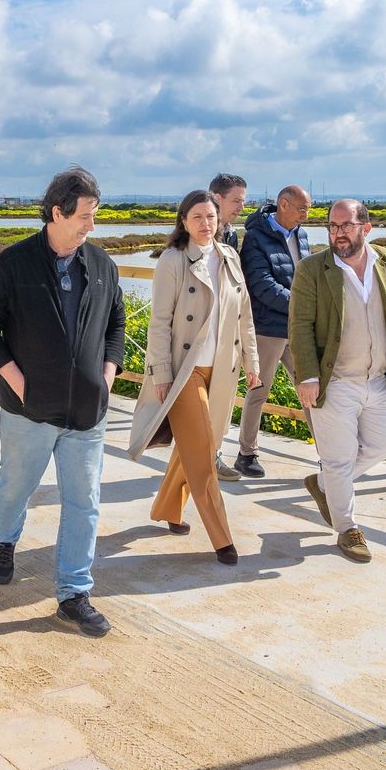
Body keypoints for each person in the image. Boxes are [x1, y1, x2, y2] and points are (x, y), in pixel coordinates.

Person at [0, 167, 126, 637]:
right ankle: (4, 539)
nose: (91, 226)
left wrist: (108, 374)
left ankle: (74, 593)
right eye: (85, 216)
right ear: (57, 212)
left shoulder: (101, 266)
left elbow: (116, 323)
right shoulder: (13, 264)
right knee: (14, 489)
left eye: (95, 215)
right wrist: (16, 380)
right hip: (28, 412)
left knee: (85, 502)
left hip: (86, 413)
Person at [289, 199, 386, 563]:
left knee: (381, 446)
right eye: (333, 226)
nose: (338, 233)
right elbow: (300, 326)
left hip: (376, 379)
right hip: (334, 381)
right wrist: (308, 376)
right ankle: (347, 528)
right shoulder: (312, 269)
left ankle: (324, 485)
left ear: (366, 228)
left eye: (346, 225)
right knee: (339, 461)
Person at [128, 190, 258, 565]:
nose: (205, 224)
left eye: (211, 217)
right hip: (185, 372)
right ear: (183, 221)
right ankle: (223, 539)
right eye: (197, 217)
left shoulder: (230, 256)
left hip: (222, 370)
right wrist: (160, 373)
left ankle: (168, 508)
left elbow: (244, 315)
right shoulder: (173, 260)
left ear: (220, 221)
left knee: (197, 444)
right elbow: (160, 322)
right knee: (203, 455)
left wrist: (252, 361)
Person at [232, 185, 313, 478]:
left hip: (297, 328)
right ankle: (246, 453)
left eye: (308, 209)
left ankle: (329, 456)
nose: (306, 215)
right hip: (268, 327)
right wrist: (302, 306)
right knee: (258, 390)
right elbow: (261, 285)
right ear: (284, 204)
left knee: (311, 389)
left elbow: (308, 276)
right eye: (302, 208)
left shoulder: (301, 235)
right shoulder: (255, 238)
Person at [207, 172, 250, 481]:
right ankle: (199, 459)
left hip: (226, 334)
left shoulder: (232, 234)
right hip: (198, 334)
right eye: (236, 201)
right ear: (217, 198)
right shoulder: (190, 231)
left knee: (222, 401)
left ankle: (214, 455)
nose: (240, 207)